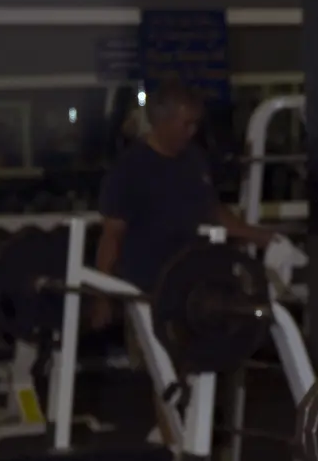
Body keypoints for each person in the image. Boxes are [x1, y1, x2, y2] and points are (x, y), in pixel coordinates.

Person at [93, 78, 287, 331]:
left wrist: (260, 236)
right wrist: (102, 297)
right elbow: (111, 237)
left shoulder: (194, 159)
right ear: (162, 122)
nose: (193, 131)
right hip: (146, 290)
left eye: (196, 123)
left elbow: (212, 210)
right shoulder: (129, 170)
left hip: (193, 287)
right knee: (152, 353)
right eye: (186, 124)